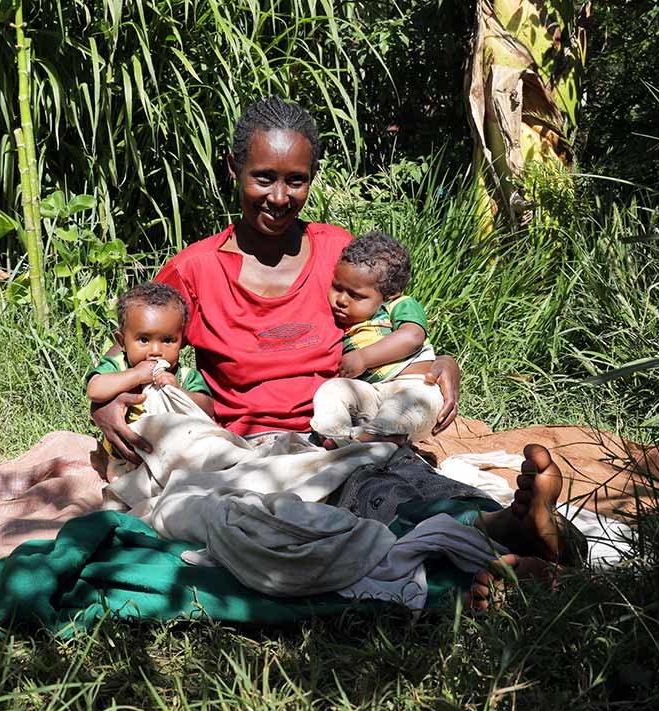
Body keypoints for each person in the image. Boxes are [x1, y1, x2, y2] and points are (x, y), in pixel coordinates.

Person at [90, 97, 460, 460]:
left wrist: (437, 364)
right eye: (264, 178)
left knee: (416, 502)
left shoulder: (339, 256)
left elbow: (385, 326)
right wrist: (104, 403)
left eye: (296, 181)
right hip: (243, 449)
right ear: (234, 168)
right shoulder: (197, 270)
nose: (279, 197)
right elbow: (137, 337)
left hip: (345, 437)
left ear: (312, 176)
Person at [310, 231, 444, 445]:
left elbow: (413, 336)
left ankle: (381, 437)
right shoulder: (344, 322)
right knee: (332, 390)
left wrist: (363, 358)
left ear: (390, 294)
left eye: (356, 295)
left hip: (414, 387)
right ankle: (337, 436)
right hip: (371, 393)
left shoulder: (399, 305)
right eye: (337, 288)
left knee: (401, 407)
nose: (341, 300)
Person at [85, 282, 214, 480]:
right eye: (144, 340)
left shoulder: (184, 375)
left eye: (168, 340)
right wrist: (136, 375)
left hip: (174, 458)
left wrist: (179, 391)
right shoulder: (119, 366)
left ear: (182, 342)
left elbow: (207, 408)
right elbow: (94, 389)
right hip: (125, 460)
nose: (155, 350)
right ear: (122, 341)